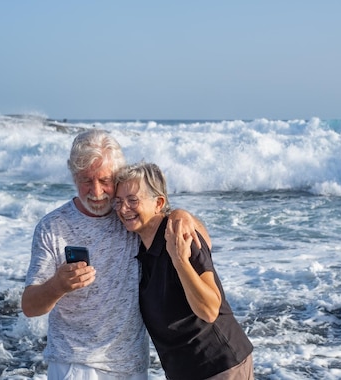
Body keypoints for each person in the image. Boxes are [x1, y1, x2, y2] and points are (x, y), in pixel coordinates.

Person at [21, 130, 209, 380]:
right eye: (86, 180)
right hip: (75, 366)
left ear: (118, 177)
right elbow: (30, 306)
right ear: (73, 176)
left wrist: (180, 214)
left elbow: (204, 240)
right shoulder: (53, 227)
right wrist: (58, 285)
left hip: (132, 367)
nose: (96, 192)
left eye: (105, 180)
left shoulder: (129, 217)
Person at [114, 162, 254, 380]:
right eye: (118, 202)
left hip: (220, 367)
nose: (123, 209)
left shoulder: (181, 236)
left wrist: (180, 260)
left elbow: (209, 309)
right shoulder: (140, 245)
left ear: (158, 202)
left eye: (133, 200)